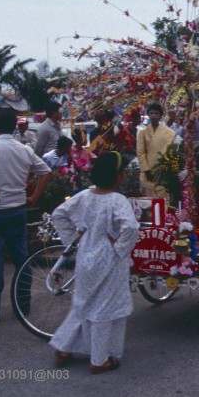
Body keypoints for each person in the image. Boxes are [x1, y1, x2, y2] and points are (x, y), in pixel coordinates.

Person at [50, 151, 140, 374]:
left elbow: (59, 215)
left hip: (86, 255)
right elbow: (131, 228)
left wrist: (74, 239)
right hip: (109, 259)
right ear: (118, 175)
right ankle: (99, 359)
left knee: (83, 302)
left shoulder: (84, 196)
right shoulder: (117, 200)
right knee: (105, 307)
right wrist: (119, 247)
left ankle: (64, 346)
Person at [0, 107, 51, 323]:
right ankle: (23, 305)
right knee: (22, 259)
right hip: (17, 211)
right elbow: (46, 173)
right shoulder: (23, 149)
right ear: (14, 126)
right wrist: (34, 198)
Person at [137, 102, 176, 202]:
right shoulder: (142, 132)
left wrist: (166, 168)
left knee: (163, 202)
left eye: (156, 113)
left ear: (160, 116)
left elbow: (171, 152)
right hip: (148, 172)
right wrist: (146, 170)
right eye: (151, 113)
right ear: (149, 115)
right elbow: (140, 153)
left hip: (162, 171)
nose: (153, 115)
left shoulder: (169, 133)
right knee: (148, 203)